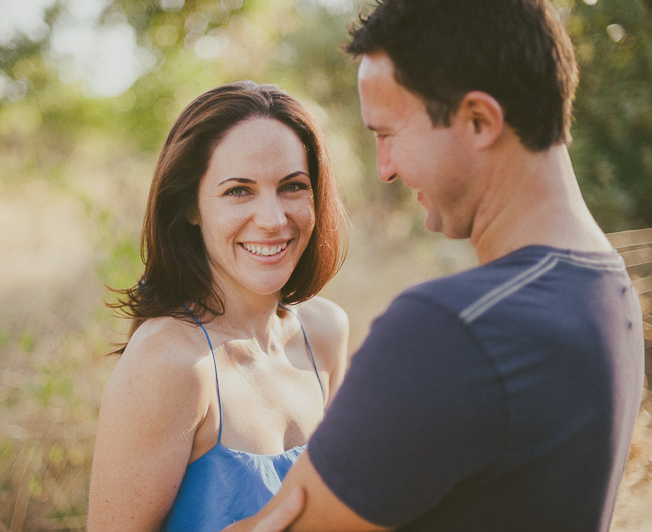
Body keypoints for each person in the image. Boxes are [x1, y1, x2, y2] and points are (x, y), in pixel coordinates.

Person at [225, 1, 646, 531]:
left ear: (478, 120)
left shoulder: (453, 330)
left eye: (387, 134)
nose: (384, 169)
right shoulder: (607, 289)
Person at [87, 81, 350, 532]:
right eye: (239, 191)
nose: (272, 220)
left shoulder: (326, 331)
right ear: (191, 206)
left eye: (292, 186)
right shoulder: (170, 363)